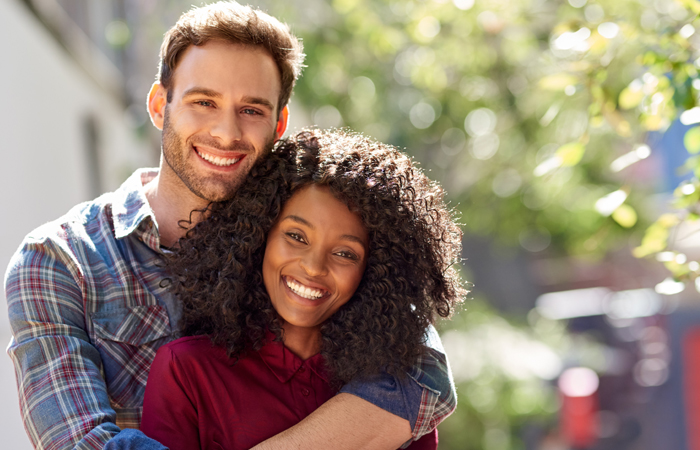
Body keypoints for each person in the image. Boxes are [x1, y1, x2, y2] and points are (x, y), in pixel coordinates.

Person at [5, 2, 457, 449]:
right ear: (160, 105)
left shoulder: (295, 241)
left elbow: (422, 371)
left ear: (278, 123)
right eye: (204, 102)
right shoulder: (61, 260)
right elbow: (82, 443)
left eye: (252, 110)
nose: (226, 132)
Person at [140, 129, 466, 450]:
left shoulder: (397, 390)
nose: (313, 267)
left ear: (375, 270)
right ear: (259, 235)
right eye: (296, 236)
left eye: (345, 253)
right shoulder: (185, 370)